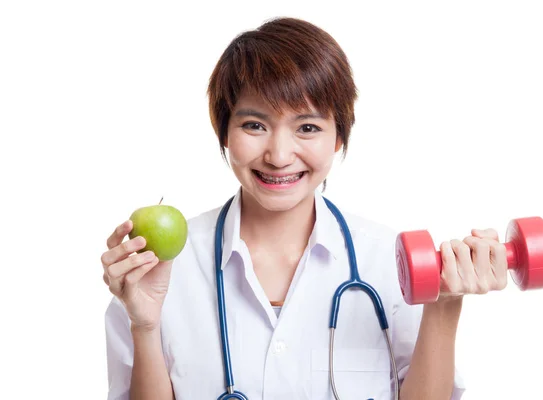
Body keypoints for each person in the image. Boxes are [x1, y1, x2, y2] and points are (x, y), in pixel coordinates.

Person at [103, 17, 508, 400]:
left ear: (338, 138)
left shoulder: (387, 262)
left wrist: (444, 304)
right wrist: (146, 324)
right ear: (224, 132)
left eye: (308, 128)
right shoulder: (160, 269)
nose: (279, 155)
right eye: (254, 125)